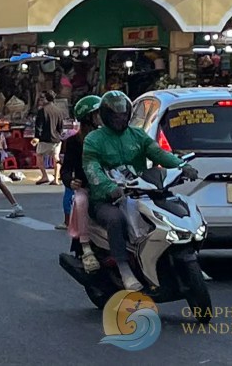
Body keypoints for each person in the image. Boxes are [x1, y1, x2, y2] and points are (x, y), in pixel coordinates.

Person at [83, 91, 198, 292]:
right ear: (105, 116)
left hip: (141, 192)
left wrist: (181, 166)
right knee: (116, 219)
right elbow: (92, 169)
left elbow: (158, 153)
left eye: (123, 114)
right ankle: (124, 267)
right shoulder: (94, 139)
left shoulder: (137, 135)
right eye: (115, 115)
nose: (120, 118)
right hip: (107, 199)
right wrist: (109, 188)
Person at [60, 95, 101, 271]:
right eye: (97, 113)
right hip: (87, 186)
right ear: (89, 117)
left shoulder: (108, 137)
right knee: (81, 202)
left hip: (112, 184)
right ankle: (85, 246)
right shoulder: (74, 142)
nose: (101, 116)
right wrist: (71, 181)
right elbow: (66, 169)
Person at [34, 91, 65, 185]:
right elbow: (61, 127)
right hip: (56, 139)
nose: (41, 100)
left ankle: (44, 176)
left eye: (43, 98)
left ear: (46, 99)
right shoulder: (59, 111)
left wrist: (37, 137)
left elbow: (38, 126)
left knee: (39, 155)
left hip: (45, 139)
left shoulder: (42, 111)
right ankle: (56, 178)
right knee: (56, 157)